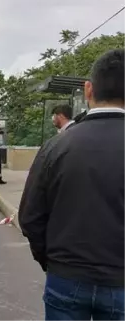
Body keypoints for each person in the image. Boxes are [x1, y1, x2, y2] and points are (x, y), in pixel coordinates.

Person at [20, 49, 125, 320]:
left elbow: (30, 216)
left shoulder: (57, 146)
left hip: (65, 279)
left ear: (88, 89)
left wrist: (52, 263)